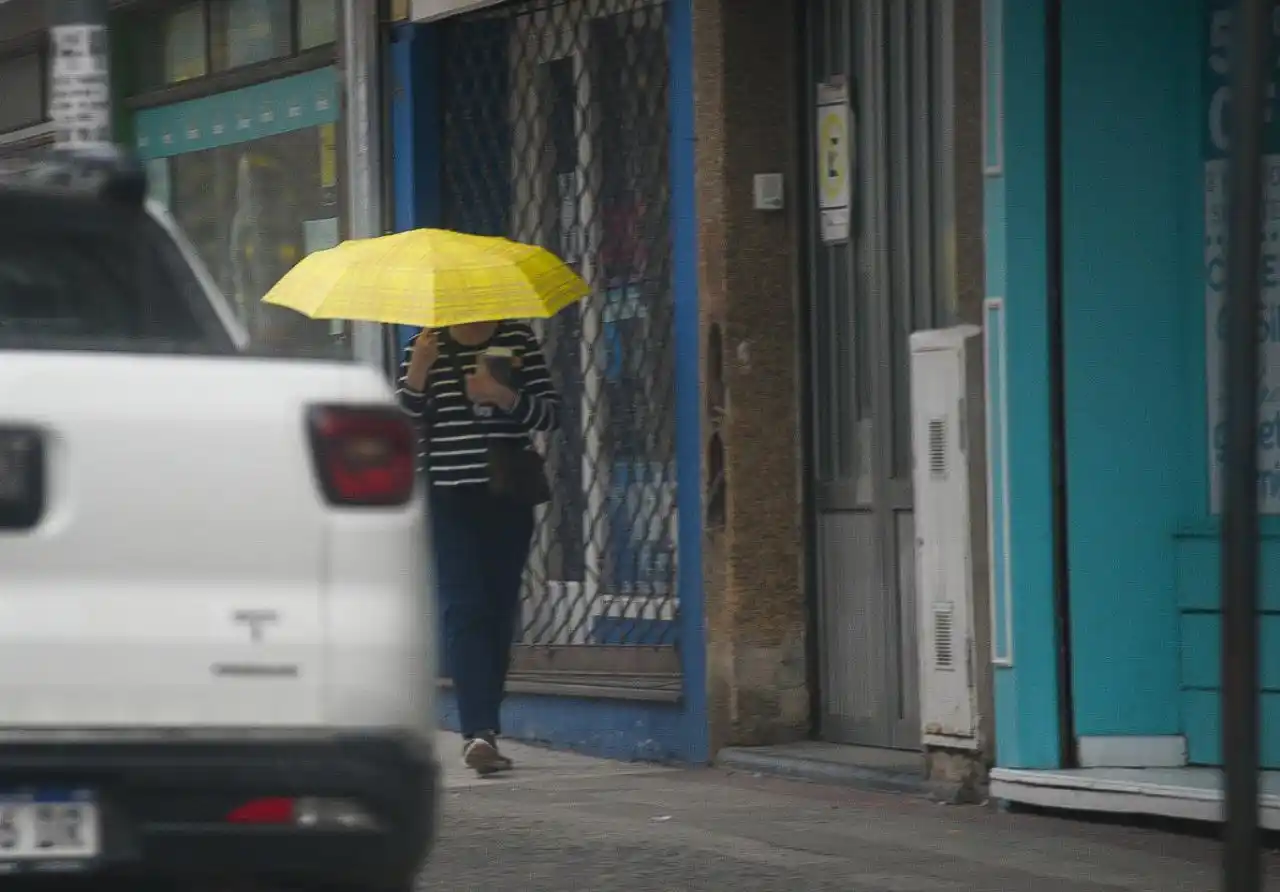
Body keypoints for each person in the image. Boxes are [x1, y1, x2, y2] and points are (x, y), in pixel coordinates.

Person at [396, 320, 560, 776]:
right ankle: (479, 731)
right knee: (463, 606)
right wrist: (418, 372)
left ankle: (486, 722)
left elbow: (550, 414)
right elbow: (403, 424)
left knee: (498, 609)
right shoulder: (424, 343)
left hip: (507, 495)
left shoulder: (516, 340)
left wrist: (501, 395)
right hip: (447, 498)